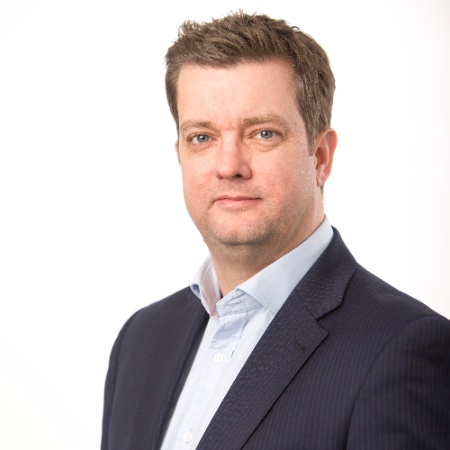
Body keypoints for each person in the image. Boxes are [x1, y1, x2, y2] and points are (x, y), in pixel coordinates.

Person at [101, 12, 450, 450]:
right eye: (202, 137)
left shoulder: (403, 350)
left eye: (263, 133)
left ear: (320, 156)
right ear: (180, 155)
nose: (229, 166)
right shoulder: (140, 341)